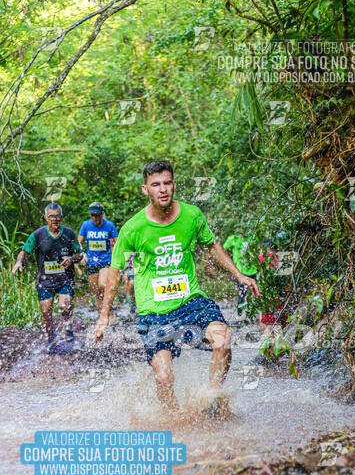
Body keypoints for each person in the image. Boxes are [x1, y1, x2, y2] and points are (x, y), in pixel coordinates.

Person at [94, 159, 259, 415]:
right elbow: (114, 273)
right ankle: (173, 420)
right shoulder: (133, 228)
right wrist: (104, 316)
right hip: (154, 311)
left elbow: (212, 245)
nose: (163, 189)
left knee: (223, 339)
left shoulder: (192, 215)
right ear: (145, 189)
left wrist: (238, 274)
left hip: (191, 300)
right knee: (164, 378)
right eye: (156, 184)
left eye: (167, 183)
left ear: (174, 185)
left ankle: (212, 402)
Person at [12, 203, 83, 345]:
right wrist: (19, 262)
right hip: (45, 280)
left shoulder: (69, 234)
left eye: (57, 216)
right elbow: (24, 252)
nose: (55, 219)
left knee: (64, 306)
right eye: (51, 216)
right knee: (46, 311)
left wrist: (72, 259)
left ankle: (68, 327)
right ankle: (50, 338)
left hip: (65, 279)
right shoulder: (38, 235)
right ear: (45, 217)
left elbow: (79, 254)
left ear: (61, 217)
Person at [78, 202, 118, 317]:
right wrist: (82, 254)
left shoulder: (109, 226)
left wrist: (116, 255)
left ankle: (110, 312)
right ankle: (103, 318)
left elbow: (118, 242)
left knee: (103, 284)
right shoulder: (86, 225)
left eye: (97, 215)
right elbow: (78, 242)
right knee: (98, 293)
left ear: (102, 214)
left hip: (106, 260)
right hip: (91, 261)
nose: (95, 218)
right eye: (93, 215)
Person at [223, 230, 258, 316]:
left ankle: (253, 314)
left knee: (255, 292)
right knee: (242, 292)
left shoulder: (252, 237)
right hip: (240, 272)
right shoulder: (233, 239)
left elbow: (257, 249)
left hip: (253, 270)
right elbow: (222, 250)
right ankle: (240, 314)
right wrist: (231, 264)